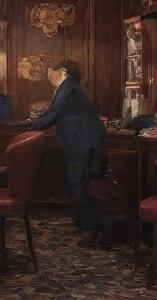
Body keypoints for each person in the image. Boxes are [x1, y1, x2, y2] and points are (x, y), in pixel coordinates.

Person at [28, 59, 107, 246]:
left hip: (82, 143)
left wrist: (27, 128)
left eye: (50, 73)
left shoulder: (68, 88)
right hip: (81, 143)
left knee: (78, 185)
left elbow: (53, 114)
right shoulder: (69, 88)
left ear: (62, 71)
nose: (49, 78)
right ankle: (85, 226)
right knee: (77, 185)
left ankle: (90, 231)